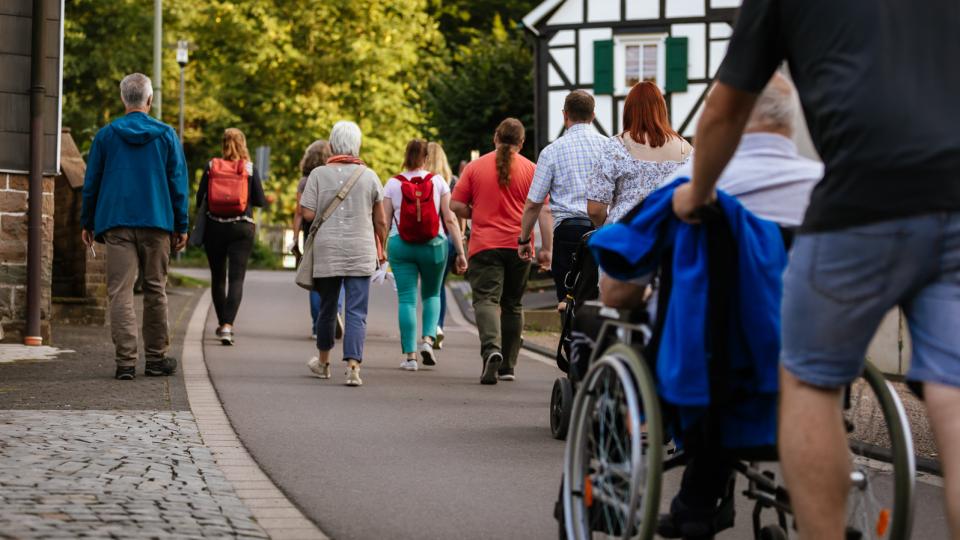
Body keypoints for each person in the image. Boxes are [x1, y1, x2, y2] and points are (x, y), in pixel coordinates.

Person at [672, 0, 960, 536]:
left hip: (864, 190)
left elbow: (727, 108)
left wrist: (700, 193)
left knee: (808, 378)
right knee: (955, 389)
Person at [601, 74, 823, 538]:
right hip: (809, 356)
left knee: (658, 328)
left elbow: (617, 290)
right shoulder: (825, 189)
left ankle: (694, 502)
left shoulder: (693, 185)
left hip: (710, 363)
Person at [80, 73, 188, 380]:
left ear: (123, 99)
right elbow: (178, 184)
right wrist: (182, 225)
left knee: (120, 291)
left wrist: (87, 221)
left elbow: (92, 184)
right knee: (156, 289)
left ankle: (125, 361)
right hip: (157, 222)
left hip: (117, 223)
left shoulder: (106, 136)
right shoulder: (166, 135)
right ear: (150, 100)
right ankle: (156, 358)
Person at [451, 118, 552, 384]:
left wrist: (476, 213)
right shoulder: (532, 169)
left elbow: (455, 205)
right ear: (521, 142)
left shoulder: (474, 168)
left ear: (495, 137)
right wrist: (547, 250)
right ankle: (508, 366)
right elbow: (542, 211)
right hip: (519, 245)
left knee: (486, 300)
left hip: (484, 245)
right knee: (513, 305)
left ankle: (491, 350)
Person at [300, 121, 388, 387]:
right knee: (356, 311)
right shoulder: (370, 176)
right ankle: (353, 368)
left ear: (333, 143)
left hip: (328, 250)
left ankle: (324, 363)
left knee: (328, 309)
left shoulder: (317, 175)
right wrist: (382, 249)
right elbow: (381, 220)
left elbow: (307, 213)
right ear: (357, 144)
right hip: (361, 250)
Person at [384, 139, 468, 371]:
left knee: (407, 300)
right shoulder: (438, 181)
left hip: (401, 246)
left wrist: (380, 250)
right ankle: (429, 341)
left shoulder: (392, 183)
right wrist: (460, 252)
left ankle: (410, 357)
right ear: (425, 158)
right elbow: (450, 218)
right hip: (434, 246)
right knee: (431, 295)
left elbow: (383, 221)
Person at [519, 90, 606, 310]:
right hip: (601, 230)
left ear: (565, 115)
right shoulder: (609, 147)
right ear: (593, 115)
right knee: (595, 296)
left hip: (568, 231)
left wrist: (523, 239)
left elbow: (534, 203)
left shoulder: (551, 152)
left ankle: (570, 340)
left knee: (567, 300)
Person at [196, 128, 267, 345]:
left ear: (223, 143)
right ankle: (228, 326)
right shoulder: (248, 168)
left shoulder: (211, 166)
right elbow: (260, 200)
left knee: (218, 278)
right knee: (236, 278)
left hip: (214, 227)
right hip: (241, 228)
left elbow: (200, 198)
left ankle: (222, 324)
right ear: (242, 144)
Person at [586, 82, 691, 227]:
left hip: (626, 233)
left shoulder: (614, 147)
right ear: (662, 110)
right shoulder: (686, 149)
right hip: (670, 233)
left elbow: (595, 210)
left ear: (629, 111)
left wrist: (605, 228)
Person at [293, 140, 344, 340]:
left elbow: (299, 213)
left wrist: (295, 238)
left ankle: (317, 325)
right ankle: (336, 312)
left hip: (312, 234)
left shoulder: (305, 181)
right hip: (336, 230)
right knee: (337, 275)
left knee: (314, 280)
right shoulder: (337, 177)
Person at [424, 142, 465, 349]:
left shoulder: (421, 180)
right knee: (439, 285)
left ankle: (431, 328)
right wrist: (461, 247)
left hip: (425, 239)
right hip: (448, 240)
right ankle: (438, 326)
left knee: (429, 287)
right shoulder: (453, 181)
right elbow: (459, 216)